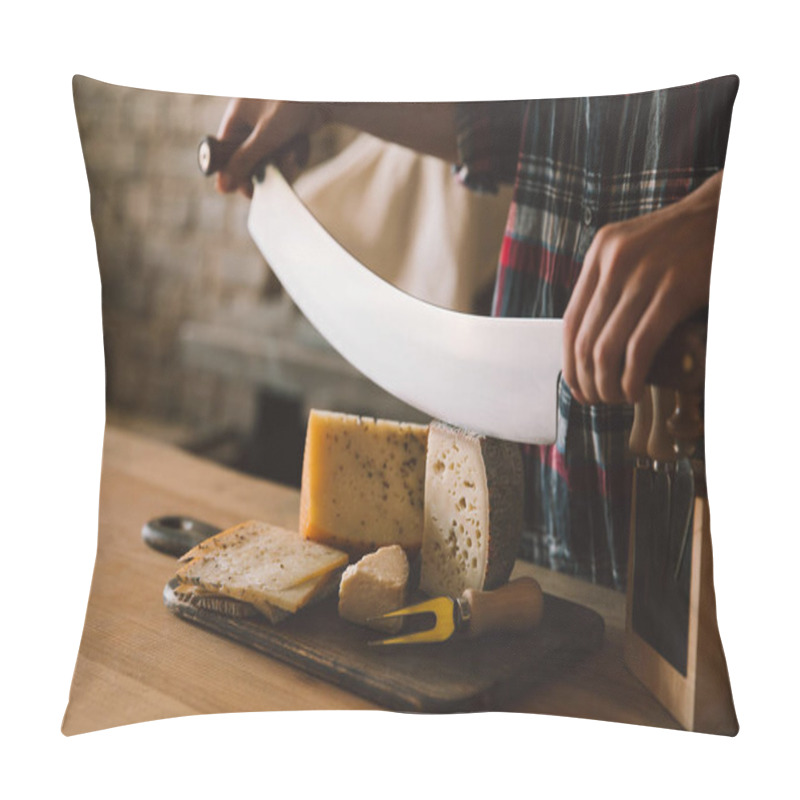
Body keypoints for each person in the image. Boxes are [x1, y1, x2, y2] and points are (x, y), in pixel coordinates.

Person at [212, 76, 738, 589]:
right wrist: (327, 93)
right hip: (551, 520)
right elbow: (535, 126)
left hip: (710, 534)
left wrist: (723, 213)